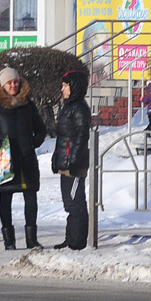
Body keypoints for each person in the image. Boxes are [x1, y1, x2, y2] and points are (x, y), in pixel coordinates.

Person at [0, 66, 47, 250]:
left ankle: (31, 239)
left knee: (30, 199)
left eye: (15, 81)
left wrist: (35, 141)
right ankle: (9, 239)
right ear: (2, 86)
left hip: (26, 159)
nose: (13, 85)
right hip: (5, 161)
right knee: (5, 199)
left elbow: (41, 129)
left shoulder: (29, 106)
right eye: (9, 83)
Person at [52, 70, 91, 250]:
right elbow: (63, 137)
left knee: (76, 202)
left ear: (74, 86)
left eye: (66, 85)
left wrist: (73, 160)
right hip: (65, 161)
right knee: (68, 202)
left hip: (74, 164)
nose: (62, 89)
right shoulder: (68, 106)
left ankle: (78, 241)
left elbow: (82, 136)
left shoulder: (80, 108)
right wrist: (56, 158)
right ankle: (71, 237)